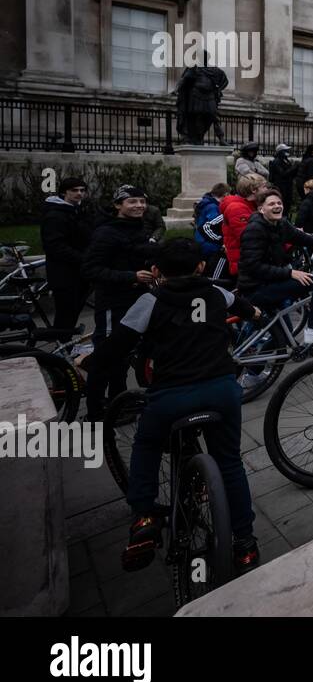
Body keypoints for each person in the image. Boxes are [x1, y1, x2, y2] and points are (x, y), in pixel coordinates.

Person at [83, 239, 261, 575]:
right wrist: (251, 313)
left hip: (172, 394)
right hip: (221, 390)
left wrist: (89, 362)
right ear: (202, 267)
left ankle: (144, 516)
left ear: (155, 272)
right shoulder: (217, 294)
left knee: (147, 445)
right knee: (230, 463)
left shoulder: (150, 300)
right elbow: (249, 309)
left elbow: (116, 346)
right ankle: (245, 543)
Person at [82, 186, 158, 415]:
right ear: (118, 205)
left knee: (123, 357)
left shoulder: (138, 228)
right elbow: (90, 269)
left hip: (135, 299)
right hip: (112, 303)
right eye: (132, 202)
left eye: (142, 202)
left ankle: (119, 402)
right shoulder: (106, 232)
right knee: (105, 357)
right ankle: (94, 411)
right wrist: (130, 277)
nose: (139, 206)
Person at [236, 187, 313, 344]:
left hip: (270, 283)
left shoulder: (280, 224)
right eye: (271, 204)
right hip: (257, 288)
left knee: (284, 339)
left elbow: (303, 238)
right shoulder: (255, 230)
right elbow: (254, 266)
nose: (277, 206)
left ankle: (252, 367)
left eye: (279, 203)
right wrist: (290, 274)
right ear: (261, 209)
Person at [40, 175, 95, 331]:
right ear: (64, 193)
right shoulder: (55, 215)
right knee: (65, 315)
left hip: (79, 272)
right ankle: (60, 348)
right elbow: (55, 246)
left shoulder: (77, 211)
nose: (79, 193)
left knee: (72, 314)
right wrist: (84, 258)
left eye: (82, 190)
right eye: (74, 190)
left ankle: (64, 346)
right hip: (64, 274)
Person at [219, 173, 263, 280]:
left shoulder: (251, 205)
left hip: (251, 261)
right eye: (264, 186)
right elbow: (249, 237)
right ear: (253, 190)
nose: (267, 189)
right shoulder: (237, 208)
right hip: (244, 264)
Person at [194, 182, 229, 278]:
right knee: (211, 267)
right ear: (226, 195)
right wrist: (220, 240)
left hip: (200, 241)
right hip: (209, 244)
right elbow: (213, 226)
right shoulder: (213, 207)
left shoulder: (206, 203)